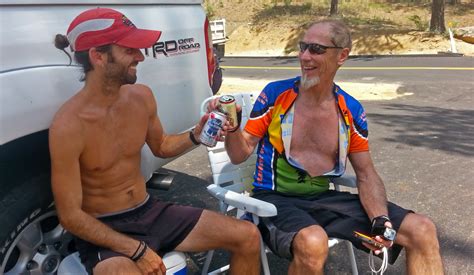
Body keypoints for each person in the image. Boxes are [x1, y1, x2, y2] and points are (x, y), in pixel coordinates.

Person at [214, 19, 444, 274]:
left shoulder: (350, 110)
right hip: (276, 200)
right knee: (313, 241)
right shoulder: (276, 95)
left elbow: (366, 174)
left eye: (316, 49)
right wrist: (233, 128)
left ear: (342, 56)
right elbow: (239, 154)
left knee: (422, 229)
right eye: (302, 47)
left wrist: (380, 219)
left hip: (325, 200)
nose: (304, 56)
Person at [49, 7, 260, 275]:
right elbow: (69, 216)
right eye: (129, 50)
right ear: (98, 56)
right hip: (104, 227)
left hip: (150, 211)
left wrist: (196, 134)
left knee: (248, 236)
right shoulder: (68, 126)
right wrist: (137, 250)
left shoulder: (141, 97)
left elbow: (161, 146)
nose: (141, 56)